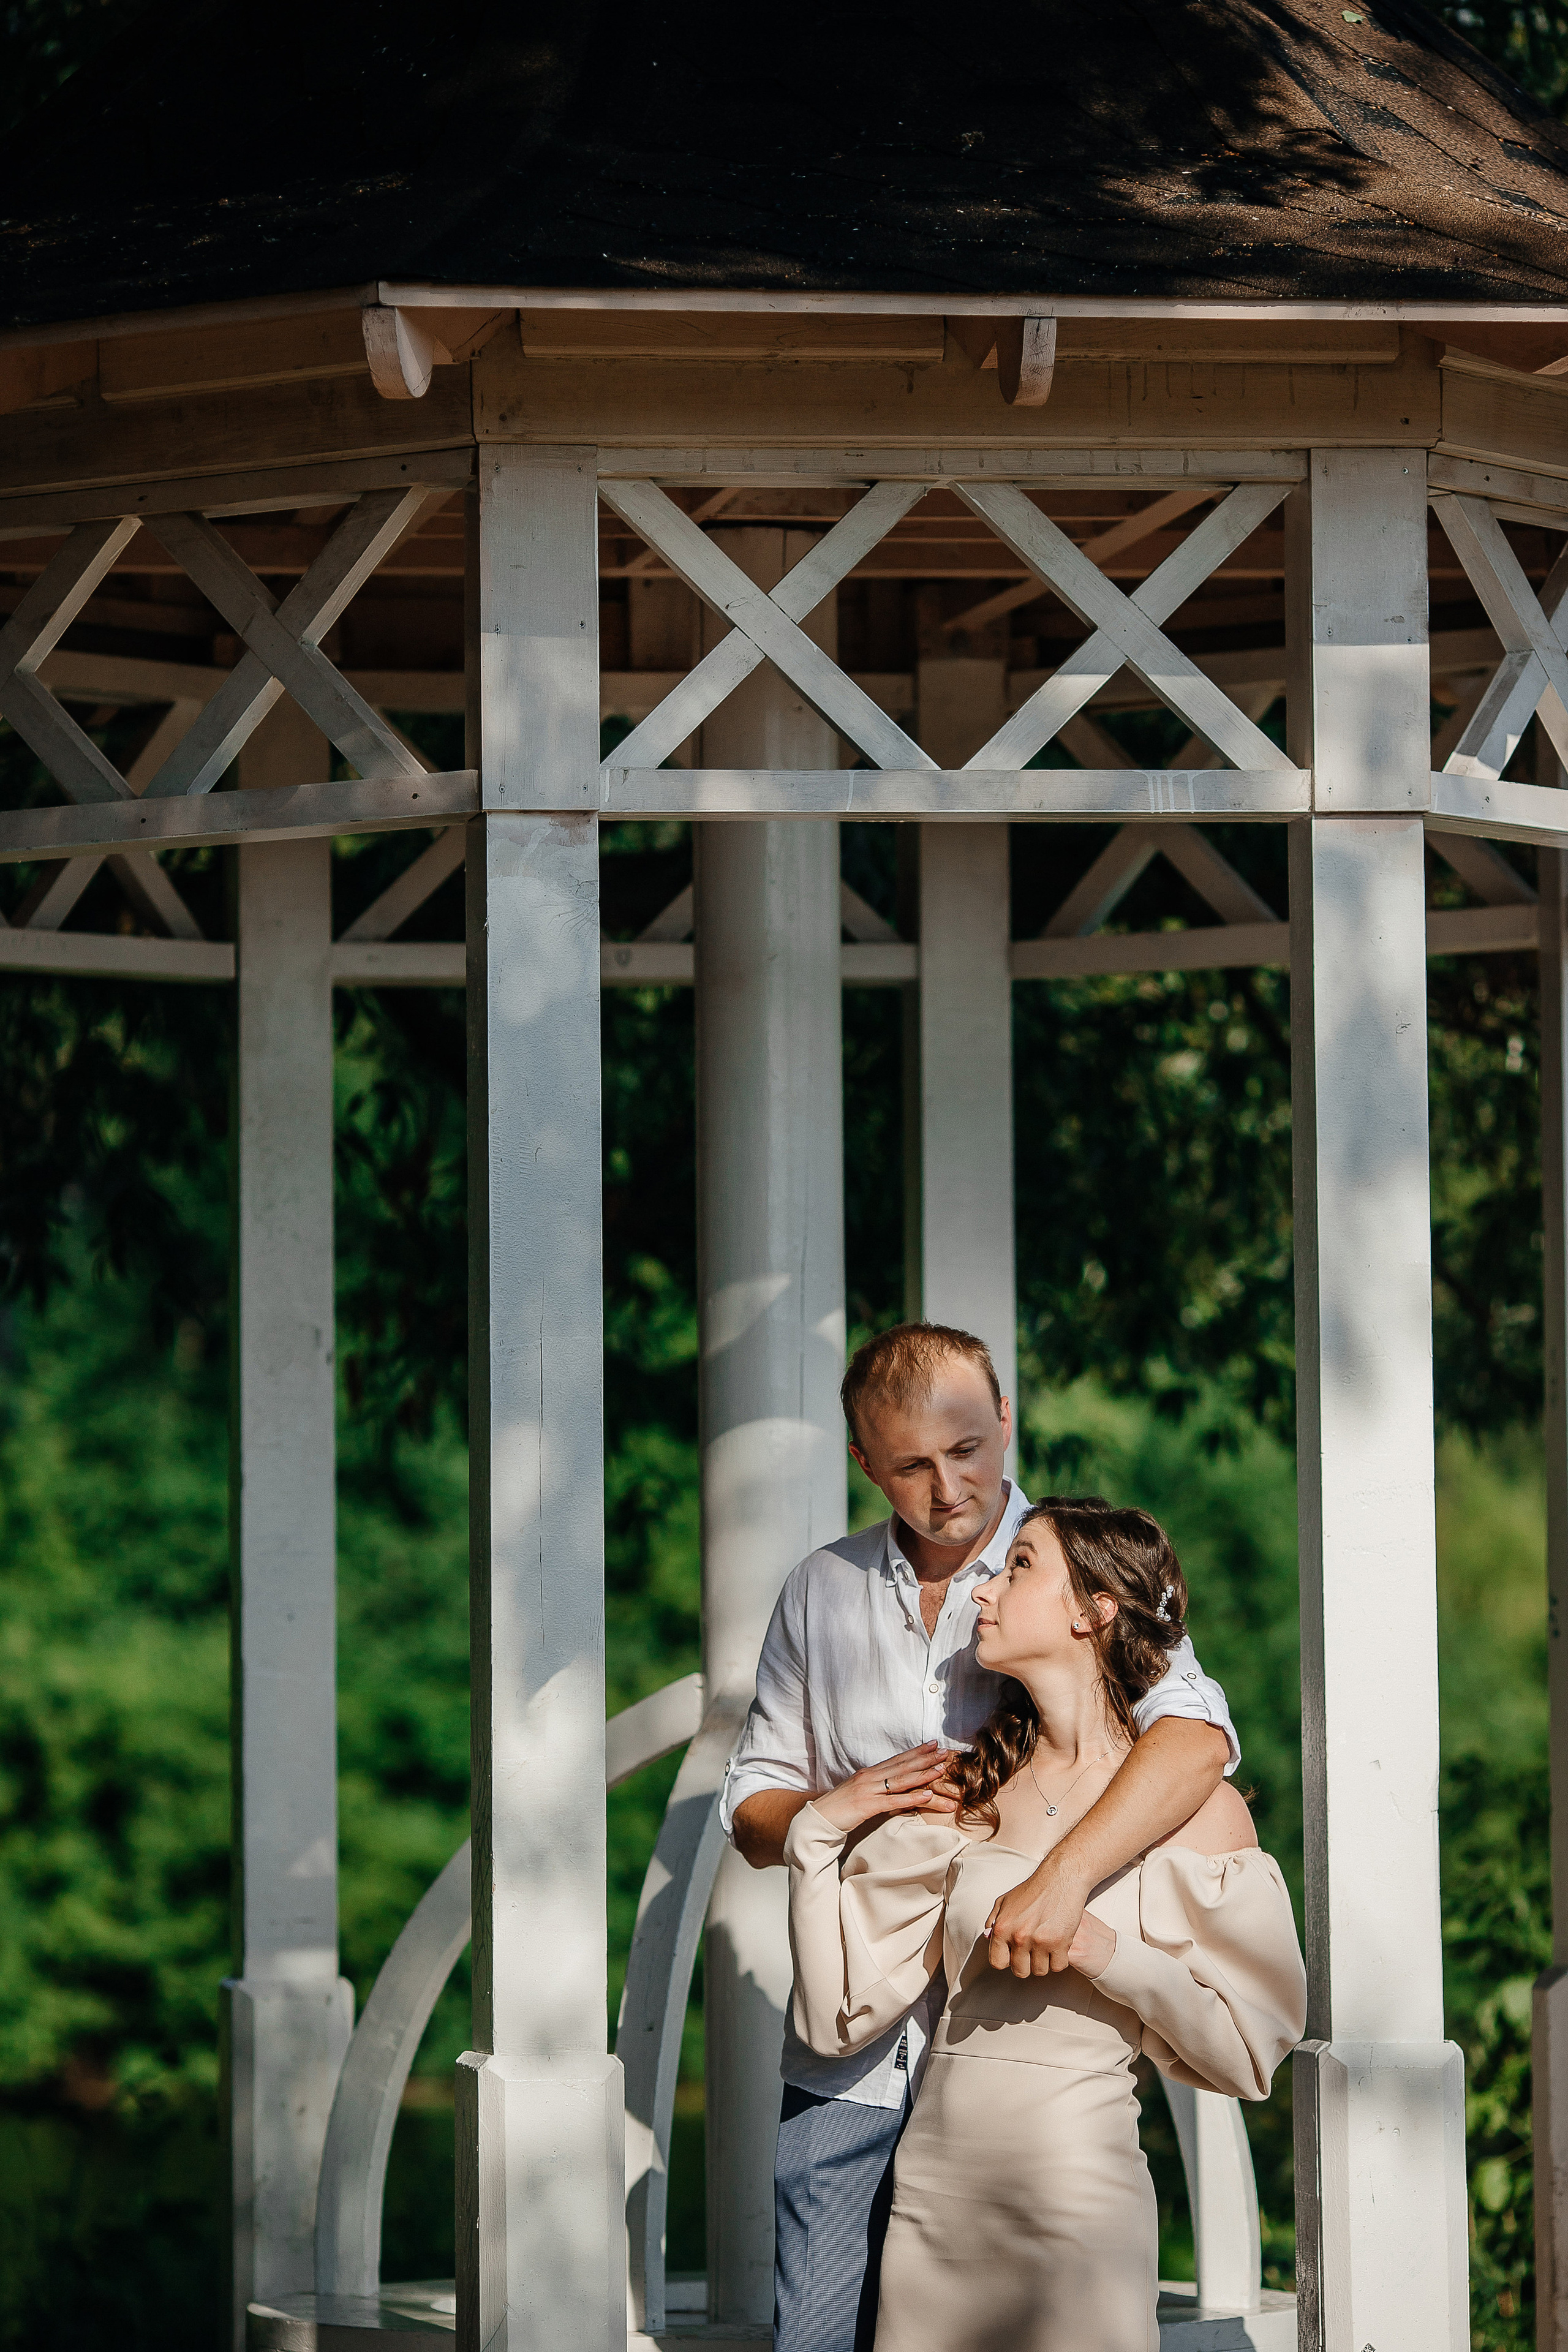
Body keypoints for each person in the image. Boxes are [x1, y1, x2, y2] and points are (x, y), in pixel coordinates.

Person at [721, 1322, 1241, 2352]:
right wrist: (851, 1805)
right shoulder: (819, 1591)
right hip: (853, 2040)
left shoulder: (1073, 1572)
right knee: (817, 2335)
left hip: (1016, 2036)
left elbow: (1196, 1738)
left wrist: (1062, 1878)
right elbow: (754, 1807)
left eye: (967, 1450)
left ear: (1007, 1421)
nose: (948, 1487)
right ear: (864, 1462)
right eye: (911, 1465)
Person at [784, 1496, 1306, 2352]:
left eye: (1020, 1565)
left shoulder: (1197, 1816)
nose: (984, 1591)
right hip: (933, 2211)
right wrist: (815, 1836)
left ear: (1093, 1610)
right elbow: (836, 2020)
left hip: (1079, 2215)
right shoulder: (969, 1800)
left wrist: (1107, 1952)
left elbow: (1249, 2053)